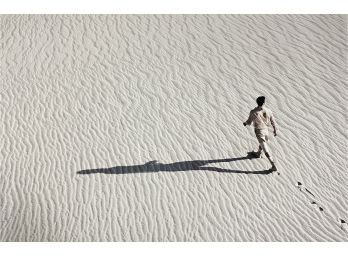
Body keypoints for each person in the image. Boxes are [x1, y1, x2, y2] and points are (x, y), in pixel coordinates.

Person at [243, 96, 278, 171]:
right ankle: (258, 153)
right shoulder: (268, 110)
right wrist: (275, 129)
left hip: (259, 131)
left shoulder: (253, 112)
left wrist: (245, 123)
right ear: (264, 102)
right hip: (266, 131)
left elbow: (249, 121)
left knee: (265, 148)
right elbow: (273, 121)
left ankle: (273, 165)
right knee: (262, 143)